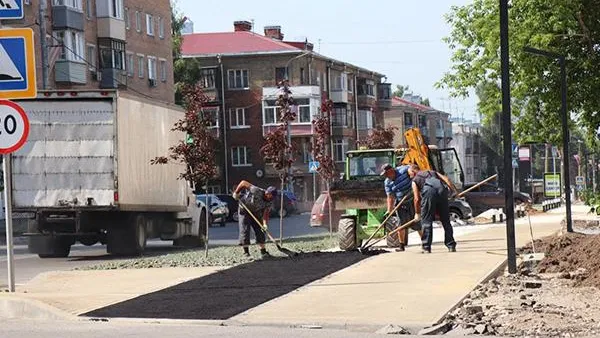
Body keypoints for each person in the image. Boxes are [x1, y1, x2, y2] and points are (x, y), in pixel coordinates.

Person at [407, 164, 457, 253]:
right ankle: (451, 245)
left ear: (414, 171)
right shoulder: (432, 172)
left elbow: (416, 198)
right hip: (442, 192)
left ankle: (426, 247)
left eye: (410, 174)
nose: (410, 176)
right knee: (446, 221)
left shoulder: (415, 180)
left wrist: (417, 213)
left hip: (429, 194)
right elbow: (447, 179)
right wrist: (454, 192)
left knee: (426, 222)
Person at [380, 163, 423, 252]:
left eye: (387, 174)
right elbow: (390, 197)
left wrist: (411, 172)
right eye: (385, 175)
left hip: (412, 200)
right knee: (401, 224)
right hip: (400, 202)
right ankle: (401, 245)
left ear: (391, 171)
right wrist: (389, 210)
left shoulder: (402, 170)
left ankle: (425, 242)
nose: (386, 176)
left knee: (417, 222)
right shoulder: (387, 182)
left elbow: (411, 167)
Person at [232, 180, 278, 258]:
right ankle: (246, 253)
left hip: (256, 211)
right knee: (245, 229)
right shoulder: (256, 190)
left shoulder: (269, 202)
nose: (270, 197)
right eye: (270, 195)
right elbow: (243, 183)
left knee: (260, 230)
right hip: (244, 209)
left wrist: (265, 224)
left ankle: (263, 252)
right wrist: (236, 193)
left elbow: (266, 213)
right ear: (267, 193)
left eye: (272, 197)